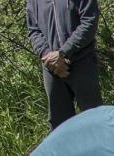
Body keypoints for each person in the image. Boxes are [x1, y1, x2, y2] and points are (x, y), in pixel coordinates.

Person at [26, 0, 103, 129]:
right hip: (51, 68)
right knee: (59, 124)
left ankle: (100, 148)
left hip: (82, 62)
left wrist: (64, 52)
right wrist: (48, 55)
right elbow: (33, 30)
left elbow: (89, 21)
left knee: (93, 117)